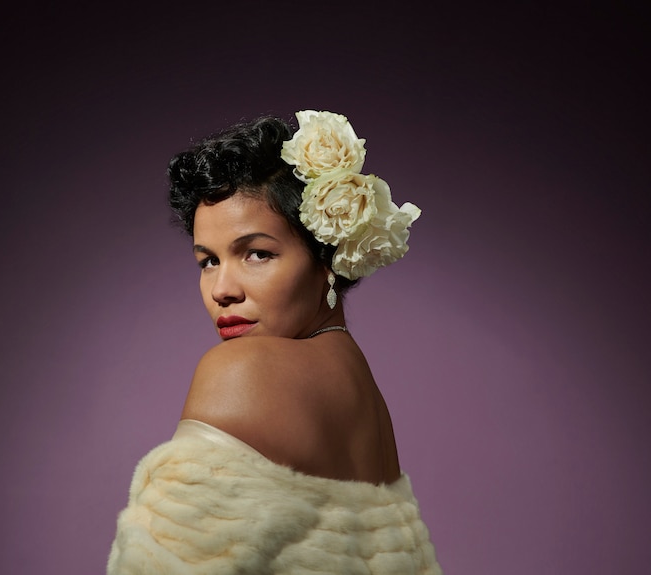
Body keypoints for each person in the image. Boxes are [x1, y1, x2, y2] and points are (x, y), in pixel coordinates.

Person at [106, 110, 443, 574]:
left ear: (327, 258)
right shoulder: (363, 393)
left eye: (257, 253)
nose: (222, 288)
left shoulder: (244, 370)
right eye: (208, 261)